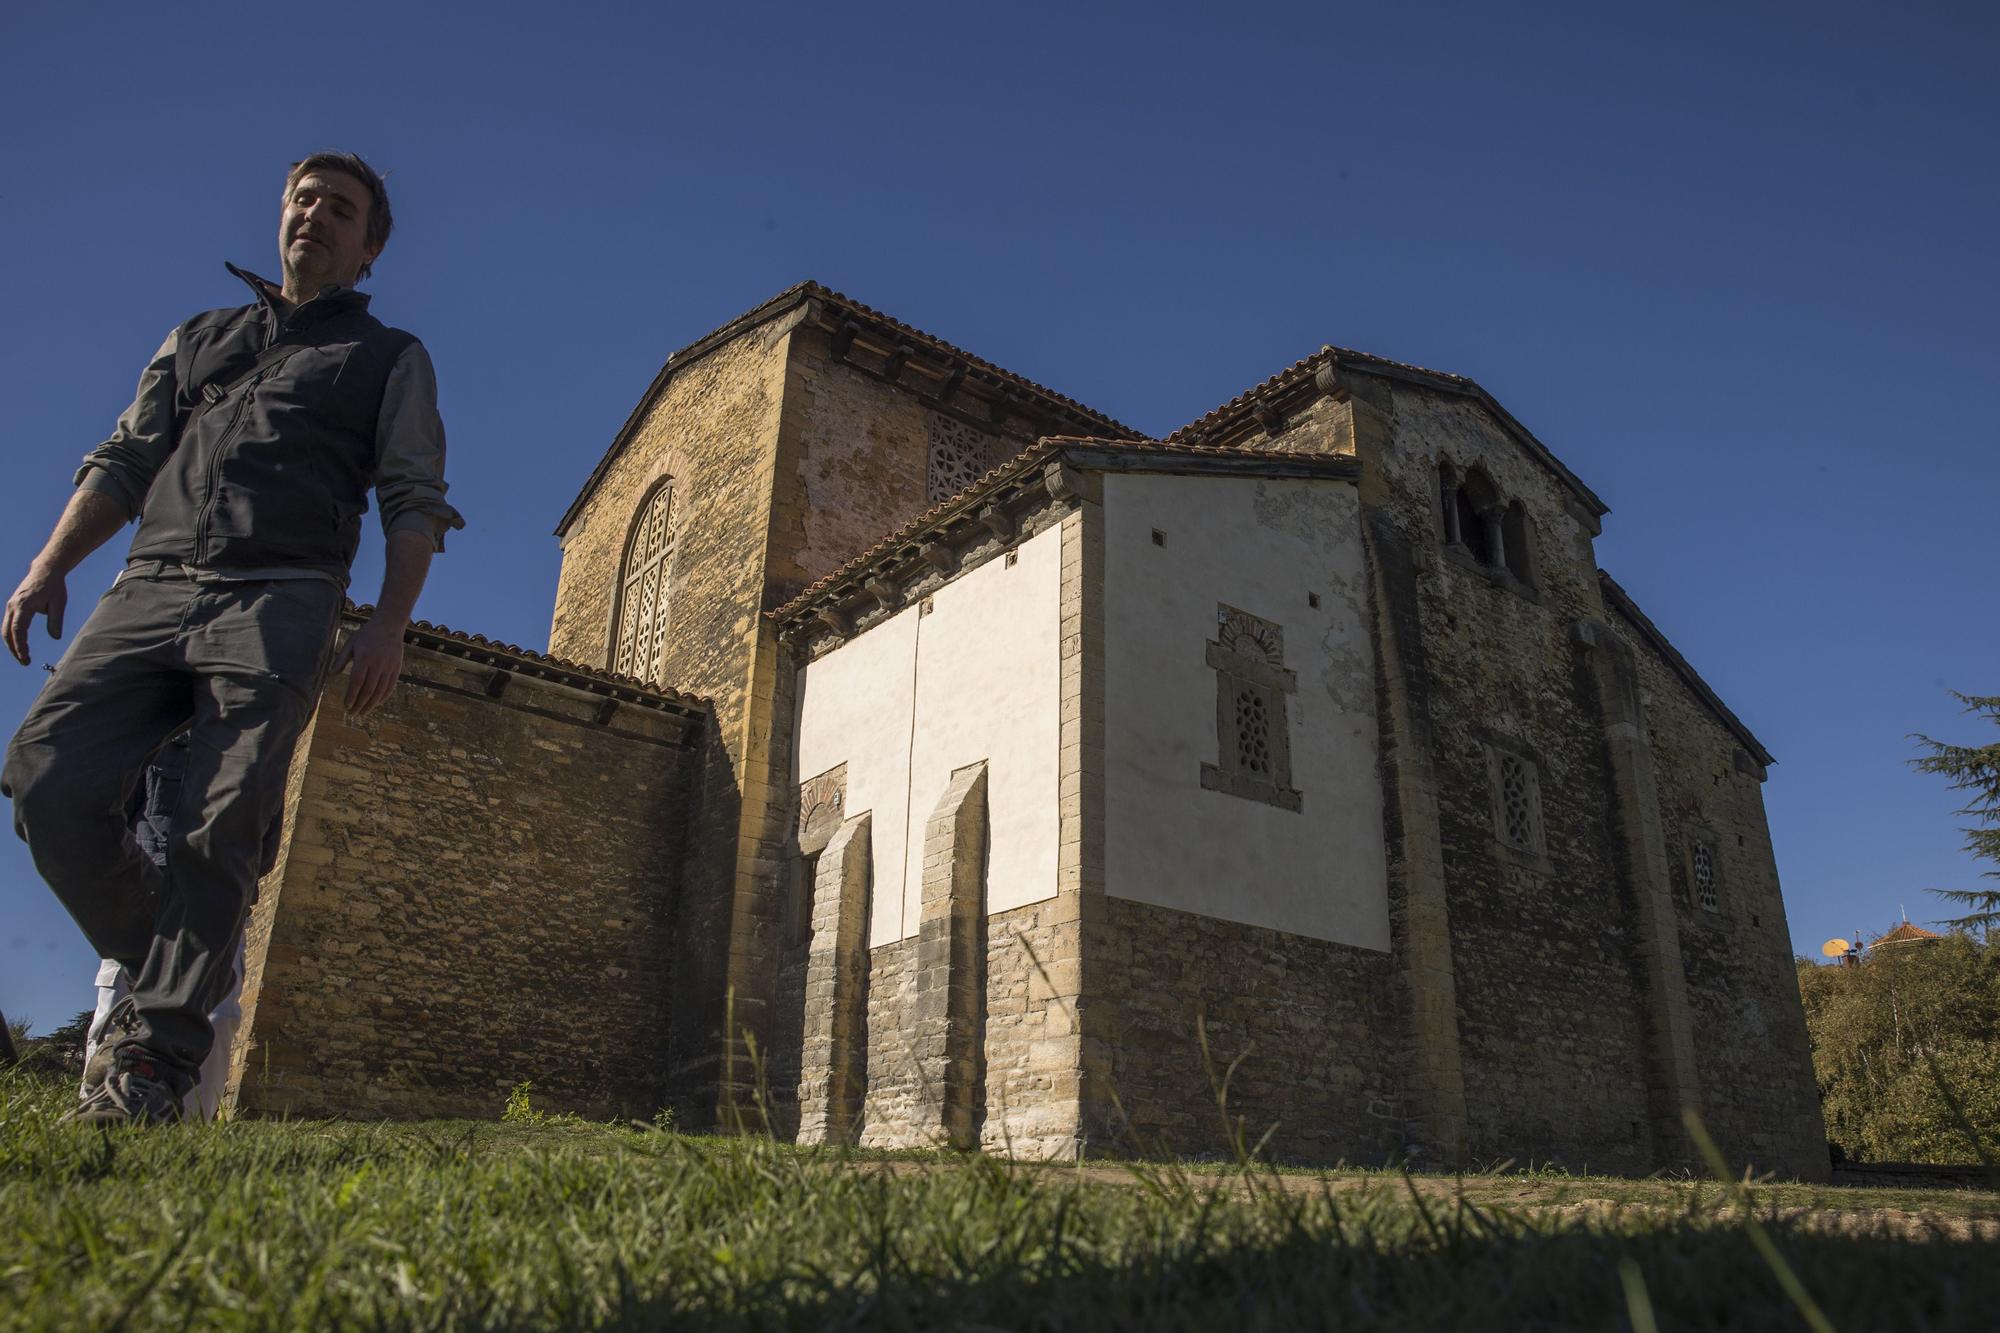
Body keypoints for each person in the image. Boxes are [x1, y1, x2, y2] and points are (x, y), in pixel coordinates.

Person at [2, 152, 463, 1127]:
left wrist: (387, 623)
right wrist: (50, 563)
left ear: (368, 247)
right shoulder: (202, 338)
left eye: (341, 210)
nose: (316, 217)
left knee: (223, 818)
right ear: (281, 215)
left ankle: (151, 1069)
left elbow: (414, 498)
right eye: (304, 200)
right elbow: (125, 460)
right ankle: (158, 955)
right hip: (151, 584)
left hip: (282, 598)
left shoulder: (389, 357)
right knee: (45, 772)